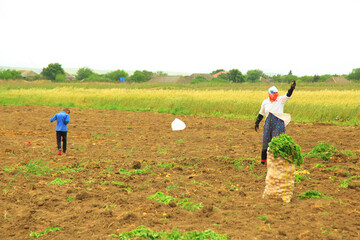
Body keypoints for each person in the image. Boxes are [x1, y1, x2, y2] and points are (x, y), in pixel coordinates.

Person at [255, 81, 296, 164]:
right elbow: (261, 113)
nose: (275, 94)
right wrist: (257, 122)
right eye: (273, 93)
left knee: (277, 142)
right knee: (265, 141)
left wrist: (291, 88)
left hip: (278, 122)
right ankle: (263, 161)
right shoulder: (265, 102)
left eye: (276, 93)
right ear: (269, 94)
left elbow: (288, 95)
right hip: (268, 122)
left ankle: (278, 161)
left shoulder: (280, 100)